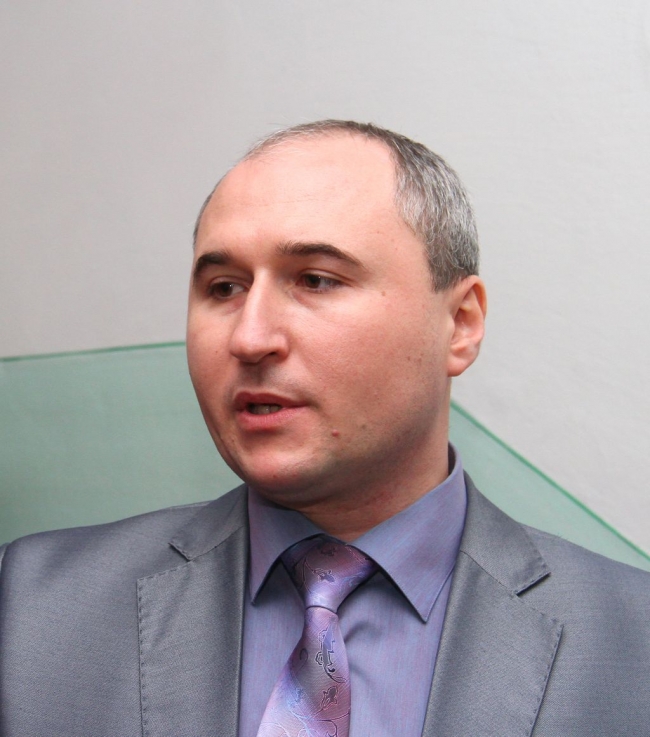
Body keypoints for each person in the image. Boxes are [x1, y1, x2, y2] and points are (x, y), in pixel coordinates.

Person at [1, 120, 649, 737]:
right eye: (224, 288)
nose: (250, 337)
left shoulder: (630, 640)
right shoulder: (32, 609)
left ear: (460, 324)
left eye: (315, 280)